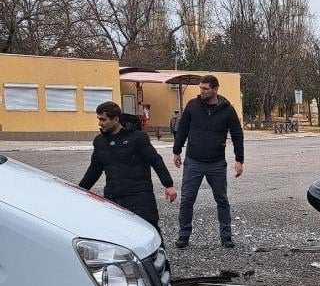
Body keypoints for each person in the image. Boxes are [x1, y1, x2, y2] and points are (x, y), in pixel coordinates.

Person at [79, 101, 177, 241]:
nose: (100, 123)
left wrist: (168, 184)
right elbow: (94, 169)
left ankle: (160, 262)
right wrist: (80, 190)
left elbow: (155, 160)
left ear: (116, 119)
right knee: (119, 238)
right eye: (99, 119)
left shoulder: (137, 138)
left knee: (150, 234)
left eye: (103, 119)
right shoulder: (100, 141)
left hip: (140, 197)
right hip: (113, 197)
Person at [172, 75, 244, 249]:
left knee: (222, 200)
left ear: (215, 89)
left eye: (205, 89)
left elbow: (237, 135)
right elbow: (182, 129)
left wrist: (239, 159)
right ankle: (183, 235)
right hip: (193, 162)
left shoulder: (227, 110)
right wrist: (177, 150)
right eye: (200, 88)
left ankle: (226, 236)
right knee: (187, 200)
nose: (201, 92)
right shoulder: (192, 106)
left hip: (216, 163)